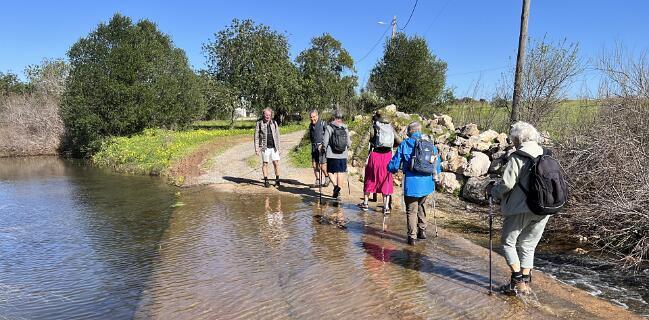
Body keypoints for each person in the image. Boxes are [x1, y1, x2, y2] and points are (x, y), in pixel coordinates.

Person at [487, 121, 547, 296]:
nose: (512, 141)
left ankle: (518, 280)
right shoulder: (545, 153)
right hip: (544, 207)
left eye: (513, 138)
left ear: (518, 138)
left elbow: (507, 183)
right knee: (528, 245)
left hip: (522, 208)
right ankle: (525, 283)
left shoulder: (519, 155)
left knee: (508, 242)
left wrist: (493, 192)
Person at [388, 122, 441, 245]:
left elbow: (395, 164)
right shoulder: (429, 144)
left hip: (412, 183)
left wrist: (390, 169)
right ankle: (422, 231)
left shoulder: (405, 144)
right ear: (420, 130)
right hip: (427, 183)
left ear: (409, 132)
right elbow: (436, 165)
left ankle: (412, 237)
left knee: (411, 209)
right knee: (421, 204)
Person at [358, 110, 401, 214]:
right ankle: (386, 207)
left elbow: (363, 142)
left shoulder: (373, 127)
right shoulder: (390, 128)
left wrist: (355, 156)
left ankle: (365, 203)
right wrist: (390, 146)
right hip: (387, 157)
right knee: (386, 179)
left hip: (375, 155)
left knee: (370, 177)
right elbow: (399, 141)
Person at [322, 110, 351, 200]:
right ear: (341, 118)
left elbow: (325, 142)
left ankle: (335, 187)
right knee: (340, 172)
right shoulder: (345, 127)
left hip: (331, 154)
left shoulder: (329, 127)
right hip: (343, 154)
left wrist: (322, 148)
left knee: (330, 171)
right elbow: (349, 143)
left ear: (333, 117)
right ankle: (338, 192)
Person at [254, 108, 281, 188]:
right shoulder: (259, 123)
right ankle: (266, 180)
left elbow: (278, 136)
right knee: (265, 163)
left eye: (269, 115)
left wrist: (279, 148)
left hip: (274, 147)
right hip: (264, 147)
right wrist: (256, 148)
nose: (267, 116)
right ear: (263, 115)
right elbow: (256, 137)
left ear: (271, 115)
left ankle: (277, 180)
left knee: (276, 163)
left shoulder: (274, 123)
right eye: (266, 115)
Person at [308, 110, 330, 188]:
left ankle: (327, 178)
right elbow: (311, 137)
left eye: (314, 117)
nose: (312, 119)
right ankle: (317, 180)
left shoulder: (323, 123)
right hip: (314, 148)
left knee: (322, 166)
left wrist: (324, 145)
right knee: (314, 165)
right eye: (311, 117)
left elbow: (328, 135)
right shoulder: (310, 125)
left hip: (322, 148)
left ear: (317, 116)